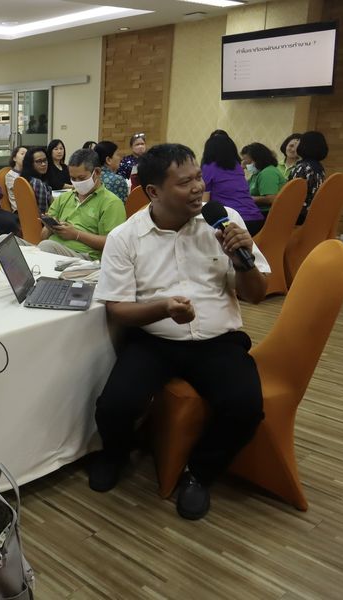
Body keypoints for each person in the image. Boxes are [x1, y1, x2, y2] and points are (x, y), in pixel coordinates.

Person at [89, 143, 268, 520]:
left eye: (199, 177)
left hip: (218, 341)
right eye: (185, 182)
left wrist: (243, 261)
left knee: (246, 407)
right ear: (153, 192)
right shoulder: (125, 237)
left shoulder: (224, 220)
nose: (198, 187)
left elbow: (255, 295)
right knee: (114, 406)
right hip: (155, 340)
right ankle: (115, 454)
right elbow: (117, 309)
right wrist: (163, 308)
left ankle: (199, 473)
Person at [39, 148, 125, 260]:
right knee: (16, 243)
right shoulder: (63, 198)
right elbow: (43, 237)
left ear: (97, 172)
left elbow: (113, 243)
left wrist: (76, 235)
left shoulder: (111, 203)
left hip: (84, 257)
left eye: (81, 178)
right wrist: (50, 228)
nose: (77, 183)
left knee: (46, 247)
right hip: (53, 249)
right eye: (73, 178)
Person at [200, 135, 265, 235]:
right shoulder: (237, 167)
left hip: (234, 221)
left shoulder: (209, 167)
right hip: (257, 219)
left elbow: (204, 202)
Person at [288, 130, 328, 224]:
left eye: (298, 142)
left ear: (304, 145)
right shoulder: (319, 168)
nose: (296, 145)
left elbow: (291, 196)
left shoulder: (302, 167)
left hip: (298, 215)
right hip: (312, 214)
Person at [240, 142, 287, 216]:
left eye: (247, 162)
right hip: (257, 211)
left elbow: (271, 199)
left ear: (257, 159)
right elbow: (243, 188)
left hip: (268, 214)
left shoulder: (268, 172)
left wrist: (250, 199)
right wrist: (240, 170)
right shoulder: (257, 174)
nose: (244, 165)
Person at [19, 146, 53, 213]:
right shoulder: (38, 183)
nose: (43, 164)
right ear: (30, 164)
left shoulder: (25, 178)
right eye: (39, 161)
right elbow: (43, 213)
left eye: (45, 160)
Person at [4, 145, 27, 212]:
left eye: (27, 154)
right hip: (19, 210)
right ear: (14, 158)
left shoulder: (28, 173)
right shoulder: (10, 175)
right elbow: (23, 192)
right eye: (22, 154)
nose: (25, 156)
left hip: (30, 207)